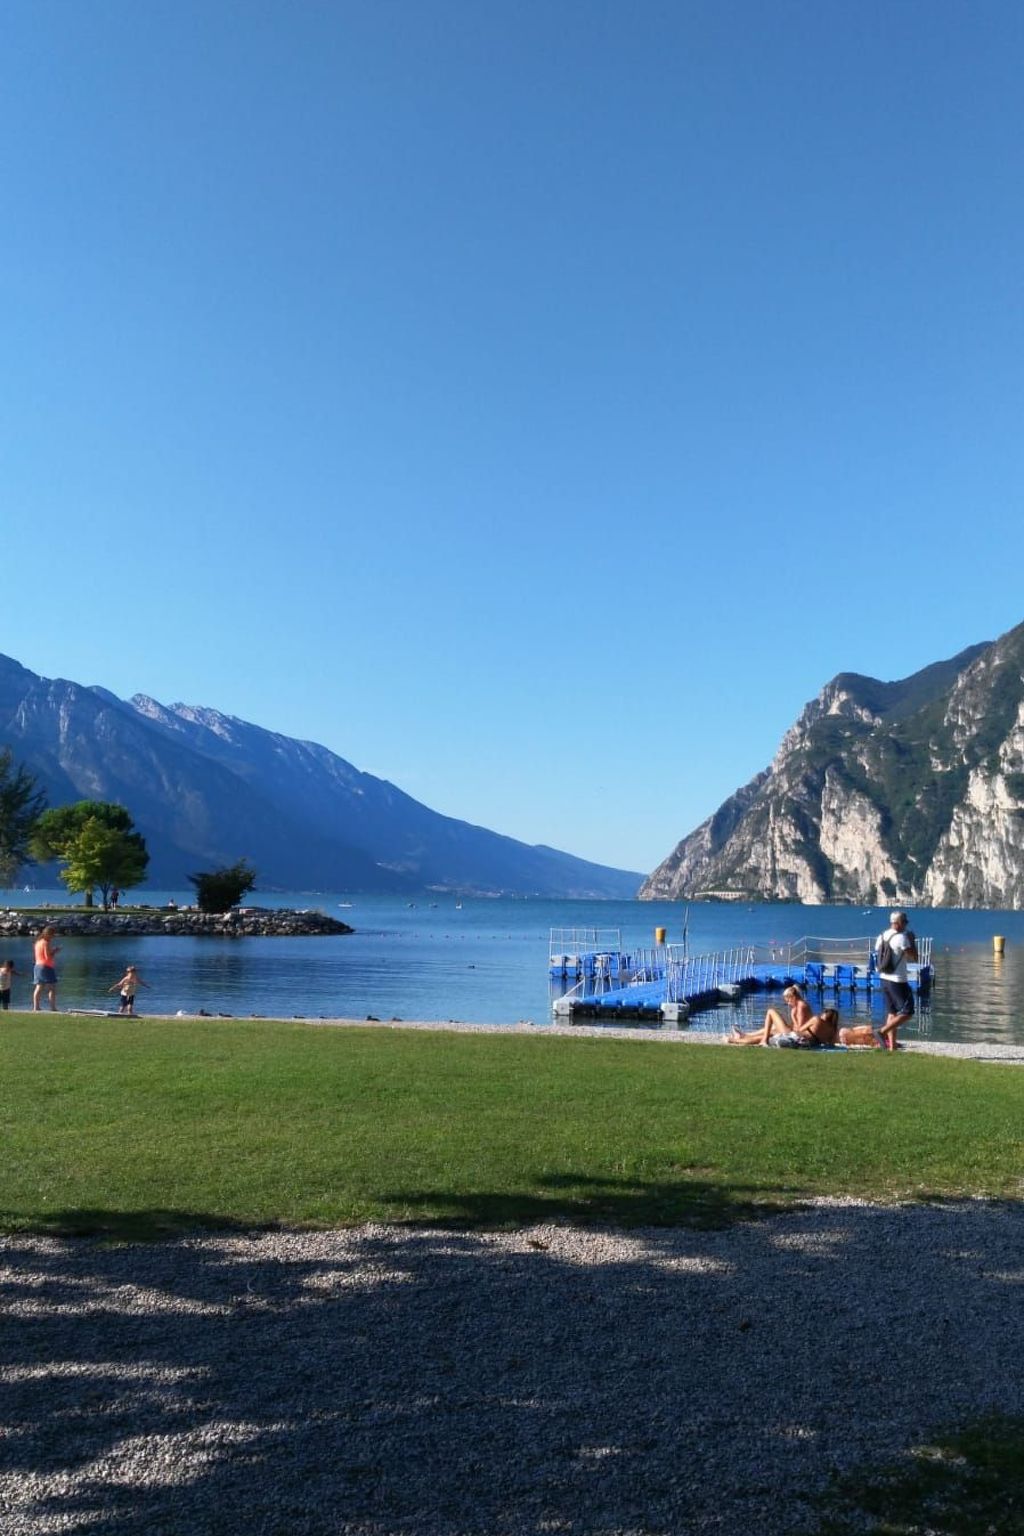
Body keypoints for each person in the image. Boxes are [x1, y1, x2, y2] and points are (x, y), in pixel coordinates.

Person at [728, 988, 839, 1047]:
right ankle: (744, 1036)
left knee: (771, 1012)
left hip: (796, 1035)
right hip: (805, 1039)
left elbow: (799, 1028)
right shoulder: (831, 1029)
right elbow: (830, 1041)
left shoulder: (802, 1007)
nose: (787, 1003)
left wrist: (793, 1018)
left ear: (792, 997)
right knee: (771, 1030)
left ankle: (756, 1040)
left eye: (788, 1000)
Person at [873, 909, 918, 1051]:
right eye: (904, 922)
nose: (906, 924)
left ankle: (892, 1048)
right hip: (898, 980)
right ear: (898, 923)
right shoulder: (901, 938)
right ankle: (882, 1032)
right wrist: (912, 941)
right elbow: (913, 957)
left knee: (892, 1012)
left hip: (884, 978)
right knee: (908, 1011)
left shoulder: (882, 936)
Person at [32, 926, 60, 1011]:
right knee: (52, 988)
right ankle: (53, 1008)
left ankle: (36, 1007)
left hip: (37, 966)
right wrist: (55, 951)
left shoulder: (38, 942)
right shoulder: (46, 943)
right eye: (52, 935)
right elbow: (48, 956)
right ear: (48, 934)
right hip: (46, 966)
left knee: (39, 987)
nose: (53, 937)